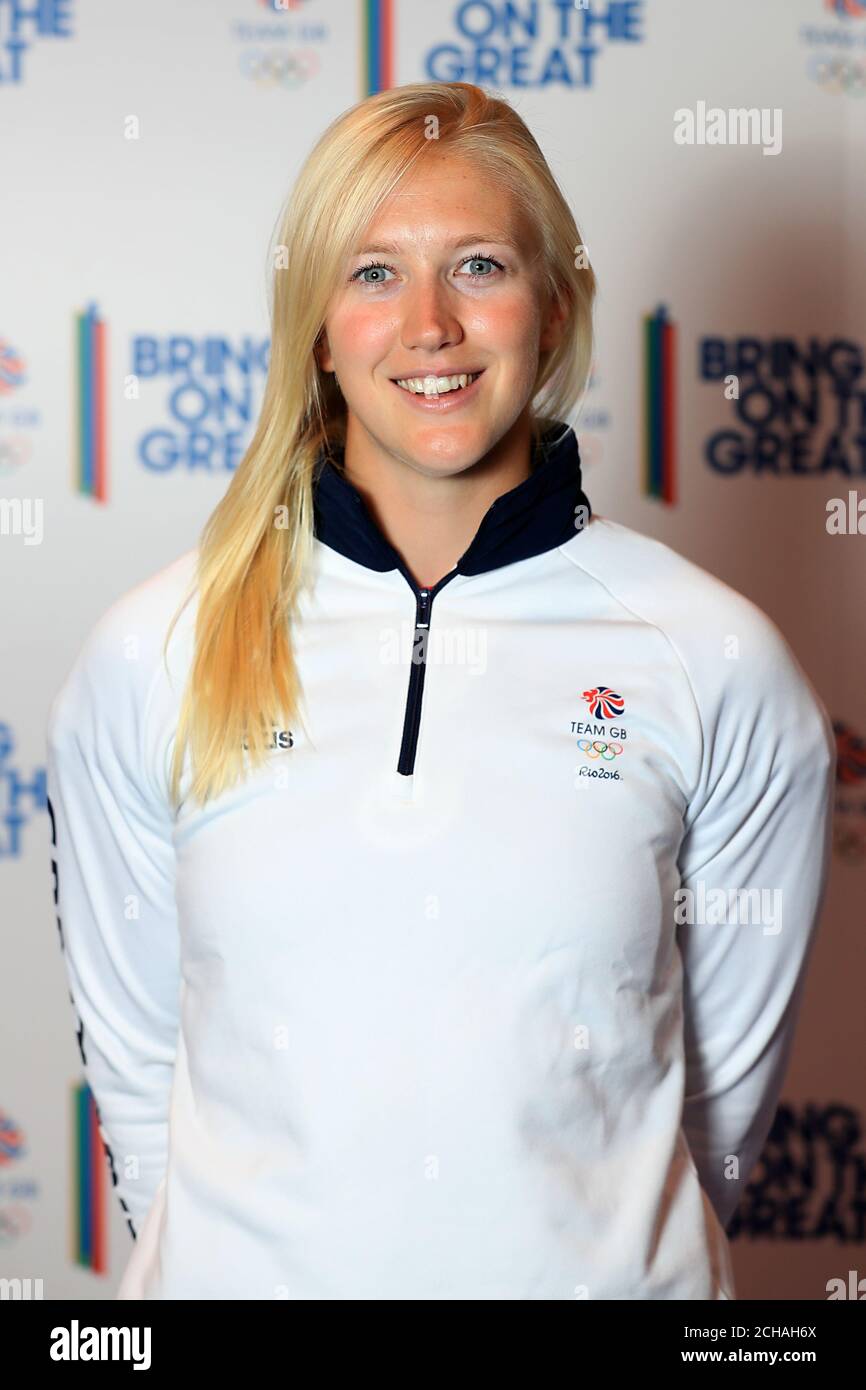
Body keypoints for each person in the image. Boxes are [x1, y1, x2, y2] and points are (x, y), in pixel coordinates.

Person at [45, 81, 834, 1301]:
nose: (428, 324)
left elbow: (714, 1113)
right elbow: (140, 1073)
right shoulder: (153, 648)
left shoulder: (715, 658)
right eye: (371, 273)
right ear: (314, 322)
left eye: (475, 265)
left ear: (553, 303)